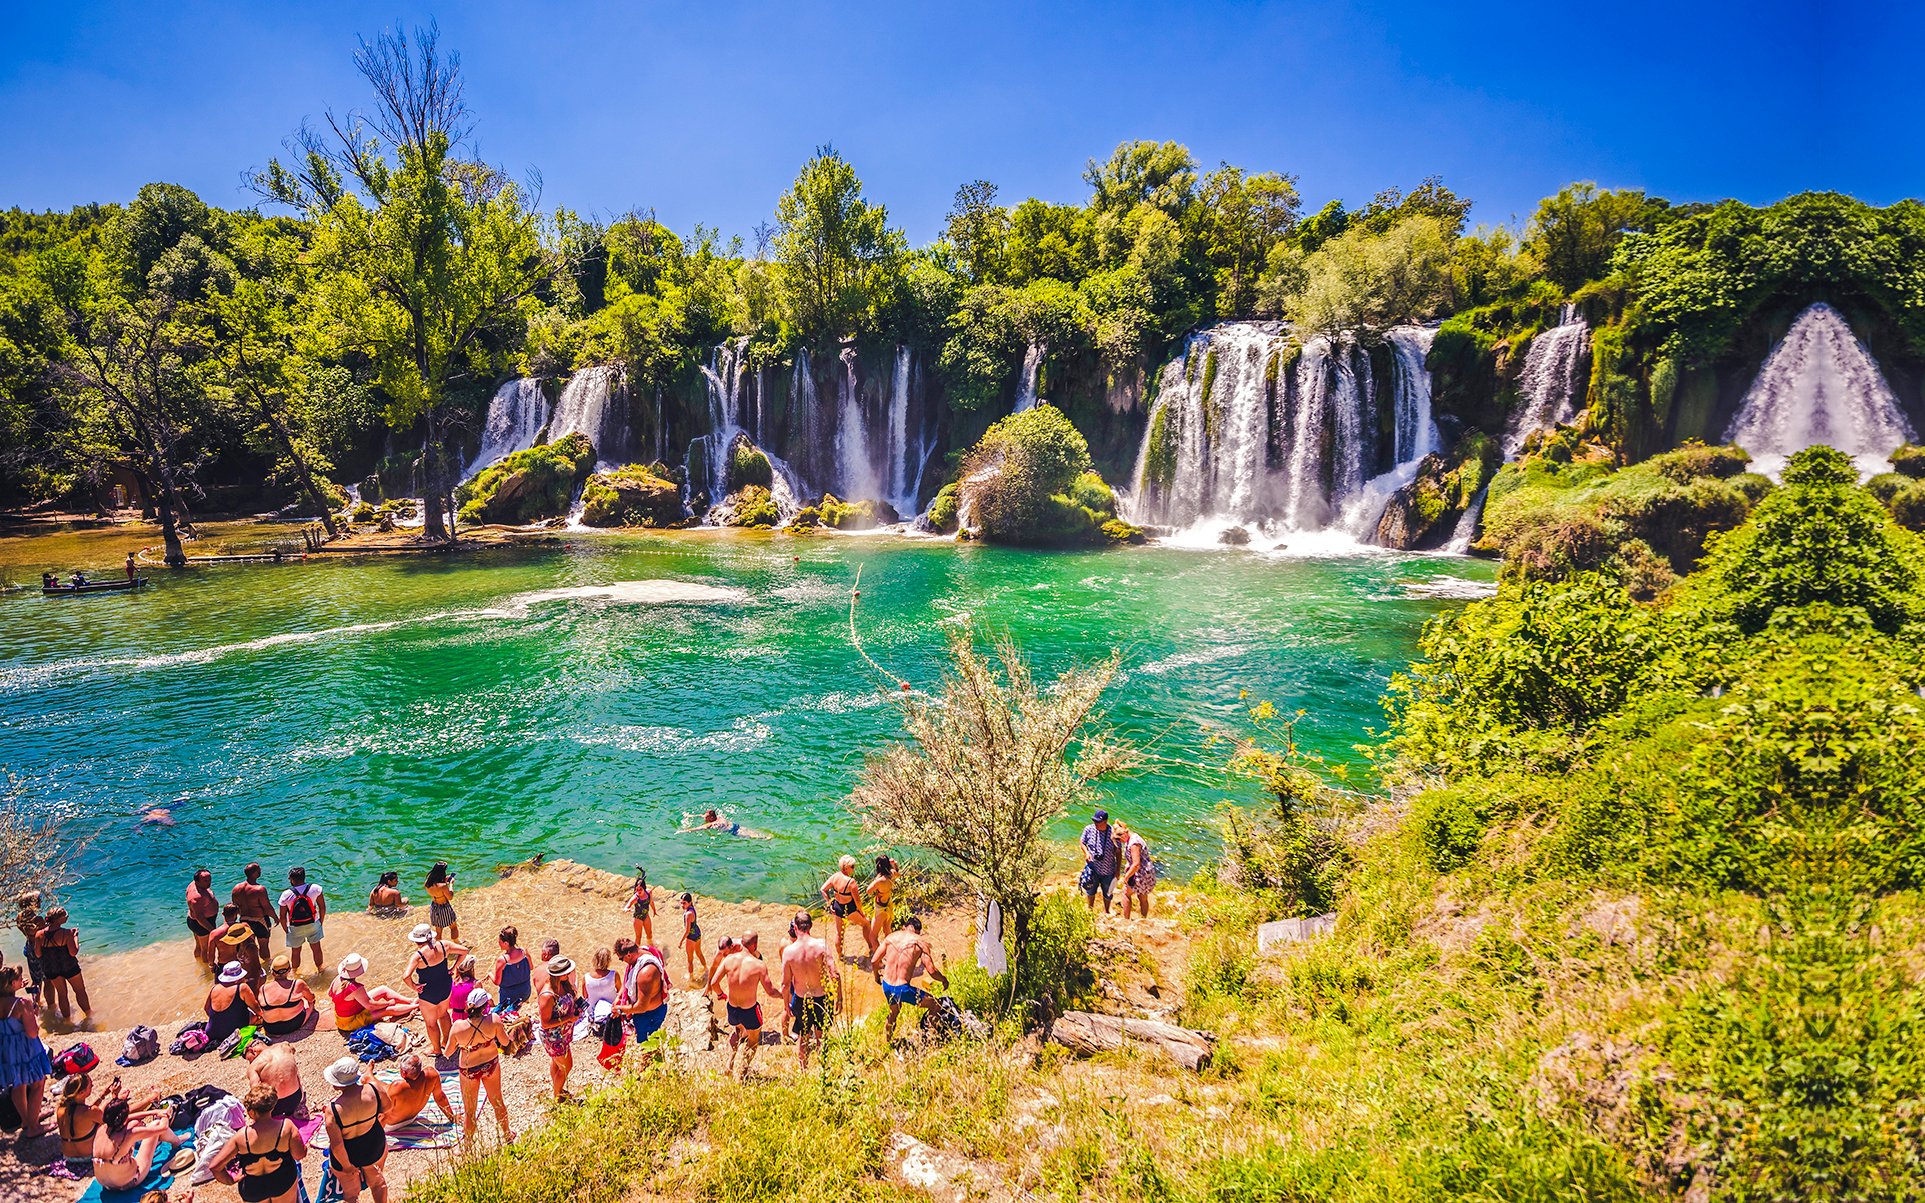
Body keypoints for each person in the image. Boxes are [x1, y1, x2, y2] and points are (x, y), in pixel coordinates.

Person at [207, 1083, 305, 1203]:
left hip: (253, 1188)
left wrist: (230, 1180)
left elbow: (215, 1167)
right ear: (272, 1106)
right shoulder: (286, 1127)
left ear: (251, 1112)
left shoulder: (241, 1137)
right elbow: (299, 1155)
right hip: (282, 1180)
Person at [712, 932, 782, 1081]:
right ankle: (742, 1073)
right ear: (755, 946)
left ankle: (729, 1066)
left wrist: (721, 995)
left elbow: (713, 983)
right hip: (749, 1010)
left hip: (732, 1008)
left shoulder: (729, 959)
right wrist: (784, 995)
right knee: (753, 1040)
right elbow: (771, 991)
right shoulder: (759, 965)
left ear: (741, 943)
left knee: (737, 1032)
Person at [448, 989, 512, 1142]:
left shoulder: (458, 1027)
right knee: (497, 1102)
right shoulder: (494, 1020)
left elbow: (448, 1051)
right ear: (484, 1007)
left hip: (468, 1069)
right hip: (490, 1064)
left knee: (470, 1111)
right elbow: (506, 1043)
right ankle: (507, 1135)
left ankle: (468, 1146)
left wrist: (464, 1044)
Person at [874, 915, 949, 1043]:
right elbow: (931, 970)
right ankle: (931, 1037)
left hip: (886, 985)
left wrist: (876, 977)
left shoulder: (891, 937)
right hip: (903, 989)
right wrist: (943, 979)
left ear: (904, 927)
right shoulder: (920, 943)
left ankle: (887, 1041)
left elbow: (874, 960)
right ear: (918, 932)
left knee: (894, 1013)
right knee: (935, 1004)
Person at [324, 1056, 389, 1203]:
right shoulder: (374, 1089)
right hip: (373, 1143)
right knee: (378, 1184)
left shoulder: (333, 1110)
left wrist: (347, 1167)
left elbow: (337, 1145)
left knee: (351, 1195)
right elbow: (388, 1107)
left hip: (348, 1152)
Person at [780, 912, 837, 1069]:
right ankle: (823, 1069)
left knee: (803, 1038)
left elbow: (785, 984)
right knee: (821, 1036)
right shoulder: (821, 945)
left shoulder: (789, 952)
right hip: (822, 998)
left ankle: (803, 1070)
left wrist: (786, 1005)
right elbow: (835, 975)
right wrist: (840, 999)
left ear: (796, 927)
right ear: (811, 926)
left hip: (801, 999)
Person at [1, 965, 52, 1138]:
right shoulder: (22, 1004)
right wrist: (33, 1013)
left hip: (7, 1049)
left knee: (18, 1084)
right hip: (25, 1048)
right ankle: (34, 1126)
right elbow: (32, 1032)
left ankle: (26, 1120)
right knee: (38, 1083)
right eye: (18, 979)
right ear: (12, 983)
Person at [94, 1097, 186, 1193]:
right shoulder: (128, 1134)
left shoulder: (101, 1128)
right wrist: (165, 1114)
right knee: (155, 1124)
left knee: (134, 1123)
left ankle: (158, 1141)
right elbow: (162, 1127)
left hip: (105, 1183)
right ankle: (177, 1142)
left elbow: (128, 1118)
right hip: (129, 1182)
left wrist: (154, 1112)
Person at [405, 924, 467, 1058]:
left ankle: (437, 1049)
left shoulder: (418, 956)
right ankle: (447, 1042)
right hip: (445, 985)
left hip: (428, 992)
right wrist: (454, 967)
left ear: (417, 941)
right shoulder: (444, 945)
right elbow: (464, 951)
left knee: (431, 1023)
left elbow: (405, 977)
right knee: (444, 1014)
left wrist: (414, 986)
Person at [57, 1069, 135, 1175]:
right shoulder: (91, 1112)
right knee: (121, 1117)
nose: (93, 1086)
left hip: (68, 1157)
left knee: (102, 1109)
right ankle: (150, 1099)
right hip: (87, 1157)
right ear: (81, 1092)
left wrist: (103, 1094)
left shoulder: (61, 1108)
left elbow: (87, 1112)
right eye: (90, 1086)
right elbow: (113, 1121)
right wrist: (115, 1098)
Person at [329, 954, 416, 1032]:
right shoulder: (354, 988)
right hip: (349, 1022)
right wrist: (388, 1003)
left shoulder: (337, 978)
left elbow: (330, 994)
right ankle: (416, 1006)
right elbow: (370, 1006)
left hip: (341, 1017)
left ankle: (410, 1001)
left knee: (383, 989)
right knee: (387, 1010)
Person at [614, 937, 669, 1054]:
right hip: (644, 1013)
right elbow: (628, 976)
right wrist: (619, 997)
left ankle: (650, 1066)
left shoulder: (645, 973)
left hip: (649, 1015)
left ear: (628, 954)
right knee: (647, 1040)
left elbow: (641, 1006)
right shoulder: (642, 951)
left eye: (621, 959)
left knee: (649, 1045)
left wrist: (619, 1010)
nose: (622, 961)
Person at [535, 957, 579, 1099]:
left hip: (563, 1033)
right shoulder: (548, 995)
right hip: (554, 1037)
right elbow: (545, 1023)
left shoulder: (563, 985)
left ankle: (557, 1089)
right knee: (567, 1066)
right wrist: (568, 1018)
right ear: (560, 974)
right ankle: (558, 1094)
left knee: (557, 1063)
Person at [36, 906, 90, 1021]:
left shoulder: (39, 934)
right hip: (69, 966)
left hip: (52, 968)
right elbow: (73, 952)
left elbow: (38, 954)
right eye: (66, 916)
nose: (67, 917)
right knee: (80, 990)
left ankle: (67, 1021)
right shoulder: (67, 933)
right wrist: (75, 937)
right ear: (59, 920)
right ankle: (89, 1014)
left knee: (62, 994)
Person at [378, 1053, 453, 1127]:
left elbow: (382, 1113)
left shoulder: (397, 1086)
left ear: (404, 1073)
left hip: (391, 1125)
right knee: (384, 1086)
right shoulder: (432, 1075)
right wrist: (452, 1117)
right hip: (412, 1118)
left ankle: (369, 1075)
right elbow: (440, 1098)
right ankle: (370, 1076)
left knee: (376, 1088)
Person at [254, 954, 316, 1036]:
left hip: (271, 1028)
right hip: (293, 1025)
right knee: (310, 1002)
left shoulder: (263, 989)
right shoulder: (297, 984)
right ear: (289, 970)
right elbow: (311, 998)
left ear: (272, 972)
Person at [278, 867, 326, 972]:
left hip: (295, 926)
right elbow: (322, 907)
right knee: (316, 949)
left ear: (291, 879)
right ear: (304, 877)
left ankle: (295, 972)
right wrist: (320, 922)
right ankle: (320, 970)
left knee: (295, 952)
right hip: (312, 924)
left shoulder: (286, 894)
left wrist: (286, 930)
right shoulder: (315, 888)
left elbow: (282, 917)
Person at [244, 1038, 306, 1119]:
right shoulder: (284, 1045)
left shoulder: (254, 1066)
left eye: (249, 1059)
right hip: (296, 1098)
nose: (250, 1062)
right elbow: (293, 1050)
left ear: (252, 1050)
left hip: (275, 1106)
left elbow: (256, 1092)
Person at [820, 856, 866, 962]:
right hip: (849, 908)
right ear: (846, 868)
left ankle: (840, 956)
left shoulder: (835, 876)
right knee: (866, 924)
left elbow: (823, 889)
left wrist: (830, 903)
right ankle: (871, 948)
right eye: (852, 867)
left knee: (839, 932)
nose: (854, 869)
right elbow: (858, 901)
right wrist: (862, 912)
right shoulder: (851, 882)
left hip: (837, 907)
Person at [205, 961, 259, 1046]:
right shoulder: (242, 988)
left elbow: (206, 1009)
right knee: (254, 1015)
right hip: (233, 1033)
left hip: (211, 1032)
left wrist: (222, 1020)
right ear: (238, 978)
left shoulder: (215, 987)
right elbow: (256, 1009)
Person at [1079, 809, 1120, 914]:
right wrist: (1086, 853)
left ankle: (1106, 911)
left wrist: (1118, 870)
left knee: (1108, 893)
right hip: (1093, 869)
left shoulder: (1113, 833)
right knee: (1090, 890)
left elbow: (1119, 852)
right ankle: (1090, 909)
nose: (1095, 823)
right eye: (1094, 821)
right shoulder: (1089, 829)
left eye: (1098, 822)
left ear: (1105, 822)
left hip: (1108, 870)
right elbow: (1082, 842)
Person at [1114, 820, 1158, 919]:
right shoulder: (1132, 837)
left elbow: (1136, 864)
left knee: (1126, 893)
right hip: (1146, 872)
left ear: (1124, 834)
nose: (1119, 841)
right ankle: (1143, 919)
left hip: (1140, 874)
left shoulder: (1134, 843)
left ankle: (1126, 920)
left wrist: (1126, 876)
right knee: (1142, 897)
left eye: (1118, 839)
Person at [491, 926, 532, 1012]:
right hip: (525, 992)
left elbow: (496, 982)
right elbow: (531, 967)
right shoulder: (524, 952)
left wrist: (490, 974)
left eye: (500, 941)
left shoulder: (502, 960)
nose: (498, 943)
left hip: (508, 997)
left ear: (506, 943)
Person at [233, 864, 276, 943]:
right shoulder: (259, 889)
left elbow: (235, 906)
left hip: (244, 920)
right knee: (264, 947)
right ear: (255, 873)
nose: (260, 871)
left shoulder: (236, 888)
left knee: (249, 947)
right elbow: (267, 907)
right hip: (260, 921)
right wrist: (275, 918)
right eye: (259, 870)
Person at [186, 869, 220, 965]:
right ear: (197, 881)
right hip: (202, 923)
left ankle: (198, 964)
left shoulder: (193, 884)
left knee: (199, 946)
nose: (209, 882)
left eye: (209, 879)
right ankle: (207, 970)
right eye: (205, 880)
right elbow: (199, 917)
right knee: (206, 948)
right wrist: (212, 930)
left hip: (193, 920)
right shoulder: (196, 897)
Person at [865, 856, 899, 952]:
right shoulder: (892, 874)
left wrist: (876, 878)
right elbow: (898, 873)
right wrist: (895, 864)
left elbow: (868, 890)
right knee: (887, 932)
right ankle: (891, 953)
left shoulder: (879, 881)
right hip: (889, 904)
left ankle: (879, 959)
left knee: (872, 936)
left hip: (880, 909)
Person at [217, 917, 264, 985]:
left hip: (254, 977)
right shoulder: (241, 945)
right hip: (247, 977)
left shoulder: (250, 947)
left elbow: (257, 967)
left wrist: (255, 983)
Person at [15, 892, 44, 990]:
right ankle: (51, 1003)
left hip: (29, 947)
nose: (41, 901)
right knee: (47, 979)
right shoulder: (38, 919)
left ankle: (35, 1002)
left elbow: (21, 929)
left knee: (36, 980)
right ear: (32, 904)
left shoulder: (19, 917)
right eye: (38, 900)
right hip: (39, 948)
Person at [678, 893, 708, 985]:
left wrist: (681, 941)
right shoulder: (692, 909)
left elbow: (687, 931)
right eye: (681, 903)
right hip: (697, 933)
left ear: (690, 902)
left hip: (691, 937)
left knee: (690, 960)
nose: (683, 905)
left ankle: (691, 978)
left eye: (685, 903)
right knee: (699, 952)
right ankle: (706, 968)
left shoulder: (688, 914)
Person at [424, 864, 458, 941]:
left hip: (434, 907)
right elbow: (450, 897)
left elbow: (436, 888)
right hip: (444, 907)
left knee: (438, 930)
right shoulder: (443, 886)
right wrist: (451, 885)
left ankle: (439, 946)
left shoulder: (427, 883)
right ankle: (456, 943)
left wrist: (443, 880)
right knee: (453, 927)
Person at [582, 947, 621, 1014]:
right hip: (611, 1012)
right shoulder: (614, 974)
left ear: (594, 959)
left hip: (592, 1013)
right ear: (609, 960)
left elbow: (585, 996)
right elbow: (620, 991)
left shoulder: (586, 977)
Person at [625, 870, 656, 948]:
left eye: (640, 889)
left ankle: (651, 947)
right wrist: (626, 909)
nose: (638, 891)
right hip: (638, 918)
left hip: (646, 916)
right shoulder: (635, 898)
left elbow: (651, 902)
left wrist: (654, 911)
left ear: (644, 888)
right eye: (637, 889)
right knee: (638, 937)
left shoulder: (649, 893)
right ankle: (637, 952)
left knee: (649, 934)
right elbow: (627, 905)